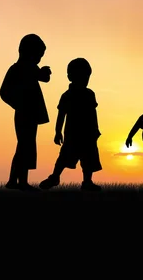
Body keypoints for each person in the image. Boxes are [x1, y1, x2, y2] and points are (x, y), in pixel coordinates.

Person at [39, 58, 102, 191]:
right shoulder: (67, 96)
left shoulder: (90, 94)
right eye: (83, 76)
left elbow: (93, 114)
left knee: (88, 159)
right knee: (64, 157)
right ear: (71, 76)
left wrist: (96, 130)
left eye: (87, 76)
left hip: (88, 134)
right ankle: (55, 177)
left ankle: (87, 182)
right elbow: (61, 115)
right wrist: (57, 132)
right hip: (72, 134)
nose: (86, 79)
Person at [0, 34, 51, 191]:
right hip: (24, 114)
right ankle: (19, 182)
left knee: (24, 147)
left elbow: (43, 78)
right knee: (24, 147)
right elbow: (4, 92)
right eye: (38, 56)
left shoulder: (27, 68)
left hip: (29, 114)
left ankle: (15, 181)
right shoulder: (20, 69)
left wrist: (44, 72)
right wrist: (18, 104)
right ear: (29, 52)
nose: (39, 59)